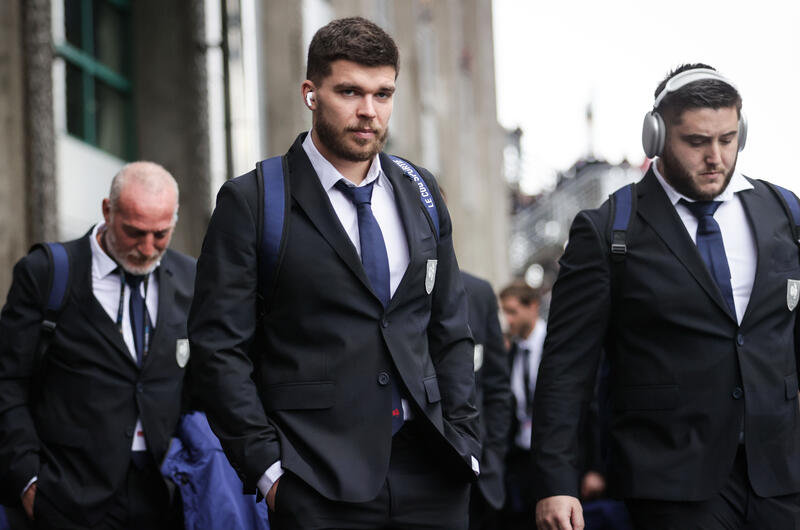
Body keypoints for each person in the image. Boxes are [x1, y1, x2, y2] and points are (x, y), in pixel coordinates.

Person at [188, 16, 480, 530]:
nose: (369, 111)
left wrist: (465, 439)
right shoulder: (254, 201)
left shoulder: (421, 191)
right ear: (311, 93)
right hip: (315, 480)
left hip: (433, 473)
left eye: (383, 94)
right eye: (350, 92)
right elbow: (218, 349)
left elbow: (449, 327)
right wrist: (269, 472)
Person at [533, 63, 800, 530]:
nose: (715, 157)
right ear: (655, 137)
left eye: (728, 139)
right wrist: (556, 480)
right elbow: (566, 367)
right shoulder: (607, 230)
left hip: (781, 473)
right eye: (696, 142)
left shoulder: (785, 212)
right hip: (671, 480)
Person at [0, 162, 195, 529]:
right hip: (67, 495)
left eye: (160, 234)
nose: (147, 248)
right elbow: (8, 381)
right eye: (134, 232)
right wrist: (27, 478)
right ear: (108, 210)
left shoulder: (191, 278)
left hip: (165, 497)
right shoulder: (47, 273)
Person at [462, 272, 512, 530]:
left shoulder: (479, 292)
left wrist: (494, 454)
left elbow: (497, 385)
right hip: (413, 478)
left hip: (481, 477)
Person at [498, 282, 546, 529]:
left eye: (513, 311)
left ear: (533, 306)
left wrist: (594, 468)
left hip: (553, 454)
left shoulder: (554, 345)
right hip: (521, 458)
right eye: (504, 312)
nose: (508, 319)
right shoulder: (512, 351)